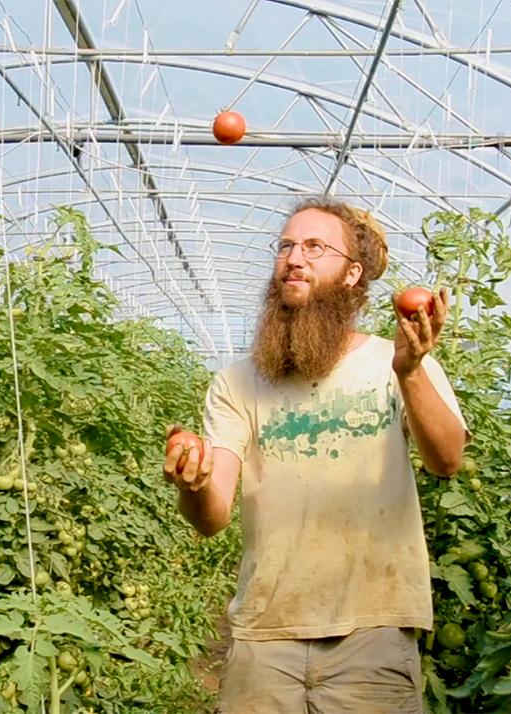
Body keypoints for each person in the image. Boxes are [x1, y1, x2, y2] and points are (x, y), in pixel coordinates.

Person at [163, 197, 470, 714]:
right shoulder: (237, 383)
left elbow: (446, 461)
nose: (293, 257)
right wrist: (193, 484)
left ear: (352, 275)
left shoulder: (391, 362)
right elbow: (212, 517)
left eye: (313, 246)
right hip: (265, 633)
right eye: (285, 246)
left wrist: (412, 371)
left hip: (372, 631)